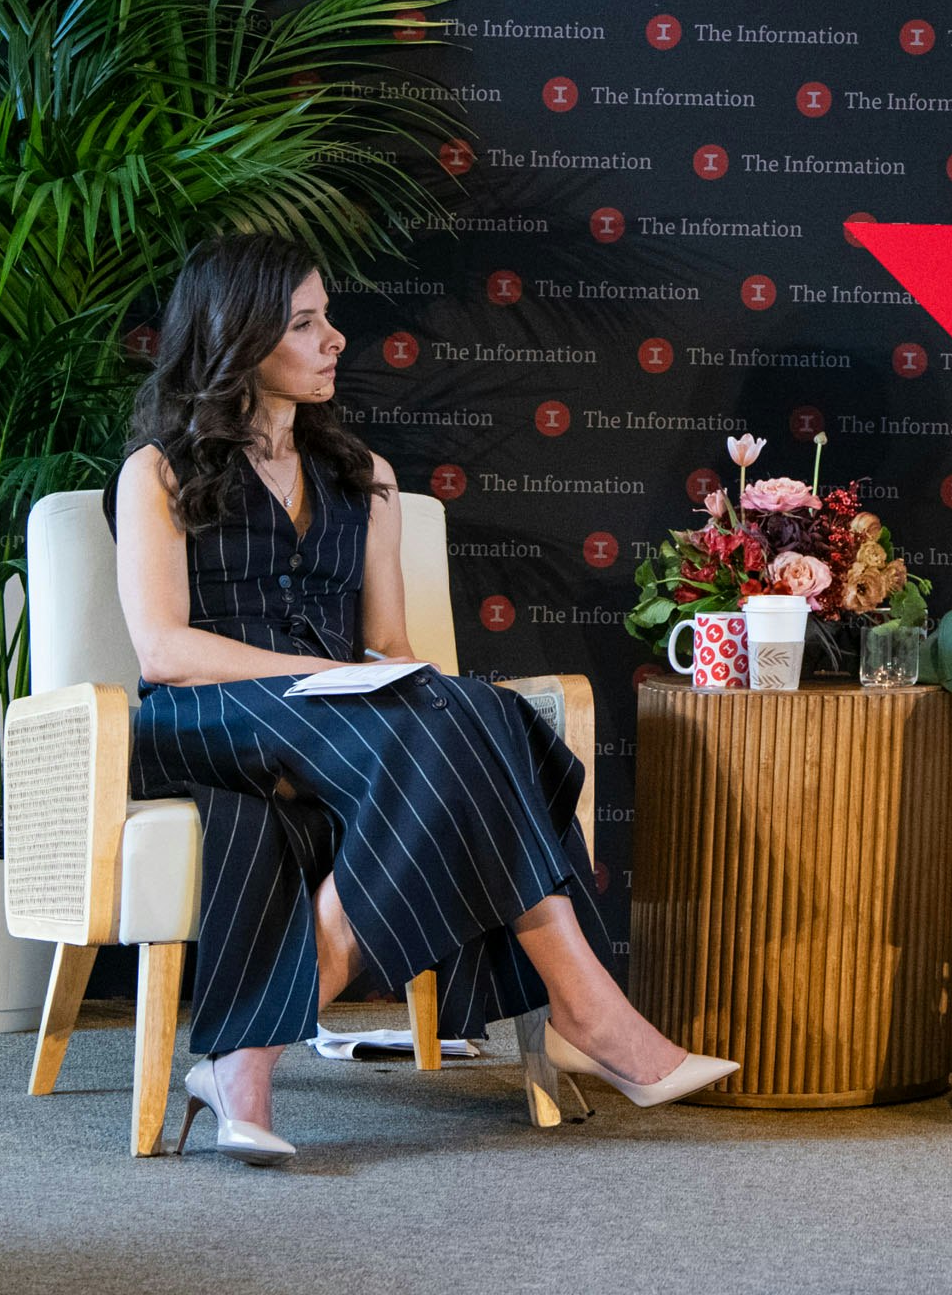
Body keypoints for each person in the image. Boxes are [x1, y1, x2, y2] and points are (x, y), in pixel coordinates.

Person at [113, 234, 733, 1164]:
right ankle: (586, 1010)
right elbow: (162, 650)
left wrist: (379, 681)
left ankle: (243, 1062)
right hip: (208, 714)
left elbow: (393, 646)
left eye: (327, 318)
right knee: (459, 729)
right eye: (305, 324)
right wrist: (320, 679)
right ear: (236, 338)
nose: (334, 340)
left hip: (344, 717)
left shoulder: (366, 478)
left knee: (476, 713)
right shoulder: (158, 473)